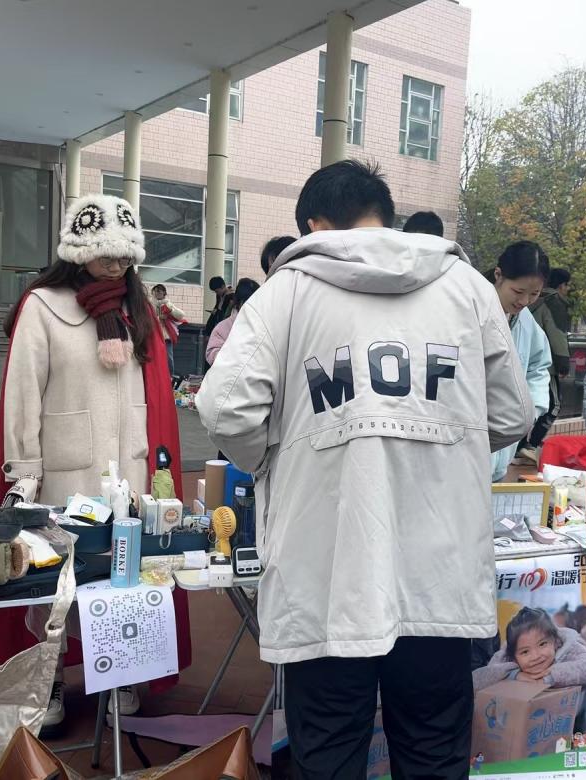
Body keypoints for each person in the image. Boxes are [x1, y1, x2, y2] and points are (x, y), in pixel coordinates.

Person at [197, 159, 533, 778]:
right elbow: (513, 414)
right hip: (438, 577)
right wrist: (446, 440)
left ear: (313, 225)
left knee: (328, 751)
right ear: (385, 214)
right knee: (433, 750)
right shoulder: (466, 289)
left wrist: (275, 456)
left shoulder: (286, 293)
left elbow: (224, 408)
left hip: (325, 577)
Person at [0, 193, 187, 729]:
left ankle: (121, 674)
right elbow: (23, 394)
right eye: (105, 252)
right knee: (55, 583)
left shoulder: (137, 308)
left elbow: (153, 394)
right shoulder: (42, 305)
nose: (116, 263)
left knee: (124, 578)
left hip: (131, 471)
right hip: (64, 472)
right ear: (78, 250)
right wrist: (24, 471)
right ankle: (48, 679)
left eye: (125, 254)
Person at [489, 241, 553, 482]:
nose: (525, 301)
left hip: (501, 455)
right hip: (468, 451)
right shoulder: (472, 311)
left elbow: (538, 366)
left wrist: (531, 411)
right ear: (498, 275)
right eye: (518, 291)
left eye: (534, 294)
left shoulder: (525, 320)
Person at [473, 607, 586, 729]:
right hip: (519, 729)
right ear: (514, 657)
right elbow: (476, 681)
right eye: (525, 652)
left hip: (570, 726)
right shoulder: (505, 658)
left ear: (555, 641)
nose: (536, 656)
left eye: (542, 644)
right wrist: (513, 675)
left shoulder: (568, 647)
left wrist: (550, 677)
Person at [521, 268, 571, 458]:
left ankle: (520, 445)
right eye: (567, 285)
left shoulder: (530, 302)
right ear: (561, 285)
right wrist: (563, 362)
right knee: (554, 405)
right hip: (545, 365)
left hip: (525, 361)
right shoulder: (554, 303)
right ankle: (529, 446)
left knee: (525, 402)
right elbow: (557, 334)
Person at [205, 277, 259, 365]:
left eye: (217, 291)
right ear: (240, 303)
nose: (217, 293)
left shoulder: (230, 296)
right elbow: (213, 355)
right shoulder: (223, 328)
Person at [151, 283, 186, 377]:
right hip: (153, 335)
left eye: (159, 291)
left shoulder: (168, 304)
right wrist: (158, 318)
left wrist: (170, 311)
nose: (157, 293)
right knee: (155, 357)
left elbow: (181, 315)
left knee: (168, 357)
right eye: (155, 291)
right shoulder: (151, 305)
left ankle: (170, 376)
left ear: (164, 293)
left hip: (166, 335)